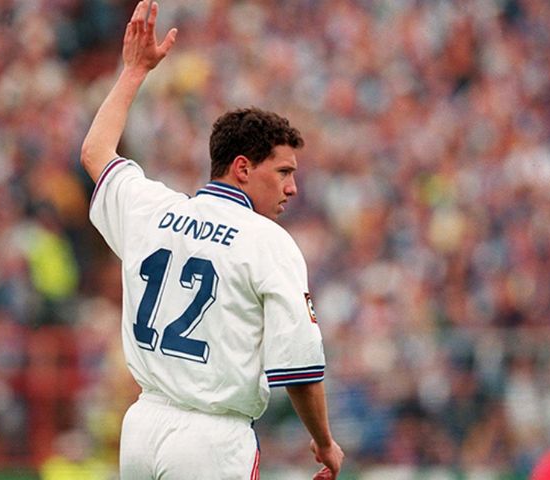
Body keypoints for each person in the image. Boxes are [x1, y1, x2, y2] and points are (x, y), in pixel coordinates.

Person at [80, 1, 344, 479]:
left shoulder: (154, 209)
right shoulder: (269, 241)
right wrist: (324, 443)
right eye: (283, 172)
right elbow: (301, 367)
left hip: (141, 428)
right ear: (242, 168)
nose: (292, 188)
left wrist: (134, 72)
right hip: (212, 437)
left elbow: (95, 151)